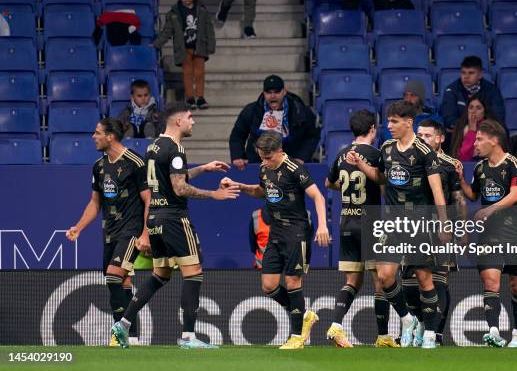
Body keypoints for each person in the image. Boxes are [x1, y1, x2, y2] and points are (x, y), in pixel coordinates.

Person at [110, 103, 240, 349]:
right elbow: (179, 188)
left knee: (160, 275)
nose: (194, 122)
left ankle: (123, 324)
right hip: (174, 218)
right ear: (178, 121)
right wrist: (215, 195)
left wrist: (203, 168)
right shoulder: (176, 148)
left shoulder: (153, 146)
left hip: (156, 218)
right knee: (194, 273)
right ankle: (189, 337)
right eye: (190, 117)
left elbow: (170, 180)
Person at [347, 101, 450, 349]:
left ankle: (430, 335)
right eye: (388, 121)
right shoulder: (387, 148)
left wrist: (444, 223)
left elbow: (436, 189)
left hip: (419, 223)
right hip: (393, 223)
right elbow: (382, 177)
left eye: (394, 121)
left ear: (408, 122)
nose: (389, 126)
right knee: (384, 276)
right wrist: (361, 165)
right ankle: (407, 319)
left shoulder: (424, 151)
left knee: (425, 279)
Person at [221, 131, 331, 350]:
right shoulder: (264, 168)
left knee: (292, 283)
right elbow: (262, 192)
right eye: (261, 157)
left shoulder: (295, 170)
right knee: (269, 286)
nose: (264, 161)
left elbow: (317, 195)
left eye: (268, 157)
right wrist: (239, 186)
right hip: (275, 233)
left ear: (280, 151)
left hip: (296, 233)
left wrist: (322, 225)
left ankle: (297, 336)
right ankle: (304, 314)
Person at [66, 118, 151, 347]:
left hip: (131, 230)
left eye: (97, 133)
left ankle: (118, 333)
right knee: (120, 281)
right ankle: (129, 336)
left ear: (110, 136)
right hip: (110, 232)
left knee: (113, 275)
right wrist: (79, 227)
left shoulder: (135, 162)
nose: (93, 137)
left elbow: (148, 200)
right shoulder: (99, 166)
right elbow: (95, 203)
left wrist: (145, 233)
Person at [324, 109, 396, 348]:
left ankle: (335, 325)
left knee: (352, 280)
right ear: (373, 129)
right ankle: (383, 336)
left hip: (347, 221)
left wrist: (346, 188)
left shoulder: (342, 153)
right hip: (371, 222)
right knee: (380, 281)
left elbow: (328, 183)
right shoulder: (376, 155)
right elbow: (383, 180)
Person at [456, 119, 517, 348]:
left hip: (513, 232)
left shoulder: (514, 164)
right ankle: (494, 332)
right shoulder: (479, 168)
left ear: (494, 140)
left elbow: (515, 195)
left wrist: (490, 209)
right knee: (490, 281)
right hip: (488, 234)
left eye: (479, 139)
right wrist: (460, 180)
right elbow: (473, 195)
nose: (475, 143)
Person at [416, 118, 467, 346]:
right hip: (414, 227)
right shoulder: (410, 159)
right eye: (420, 135)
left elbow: (458, 199)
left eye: (428, 135)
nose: (423, 139)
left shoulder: (450, 164)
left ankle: (435, 333)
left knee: (439, 279)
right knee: (412, 280)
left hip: (440, 228)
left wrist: (463, 230)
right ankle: (418, 328)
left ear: (440, 138)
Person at [229, 75, 320, 169]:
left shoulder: (300, 110)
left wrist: (301, 157)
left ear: (284, 92)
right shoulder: (251, 110)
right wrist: (238, 156)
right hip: (258, 165)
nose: (273, 96)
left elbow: (312, 136)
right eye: (269, 92)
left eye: (277, 92)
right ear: (264, 93)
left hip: (290, 165)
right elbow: (237, 135)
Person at [153, 0, 215, 110]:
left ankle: (200, 97)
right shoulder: (174, 13)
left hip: (200, 47)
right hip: (184, 48)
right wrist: (156, 44)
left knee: (199, 73)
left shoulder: (202, 9)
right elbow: (167, 31)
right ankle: (190, 97)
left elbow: (209, 28)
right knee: (187, 73)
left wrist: (211, 45)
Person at [441, 56, 505, 131]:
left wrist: (478, 128)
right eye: (463, 72)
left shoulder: (492, 90)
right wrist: (470, 127)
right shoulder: (451, 90)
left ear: (480, 74)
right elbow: (449, 120)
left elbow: (498, 118)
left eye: (471, 73)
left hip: (486, 132)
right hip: (459, 133)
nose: (466, 76)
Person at [449, 96, 500, 162]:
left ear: (485, 111)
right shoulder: (460, 127)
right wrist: (471, 130)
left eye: (478, 108)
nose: (473, 111)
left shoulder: (492, 128)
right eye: (471, 108)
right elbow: (463, 157)